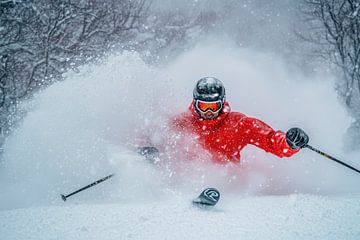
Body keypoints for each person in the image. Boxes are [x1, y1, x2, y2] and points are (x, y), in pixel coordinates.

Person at [170, 77, 309, 163]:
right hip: (188, 180)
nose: (208, 112)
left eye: (213, 106)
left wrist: (289, 143)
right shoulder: (183, 122)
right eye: (203, 106)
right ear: (195, 103)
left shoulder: (239, 124)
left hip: (228, 181)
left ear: (222, 103)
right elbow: (159, 134)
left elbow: (270, 139)